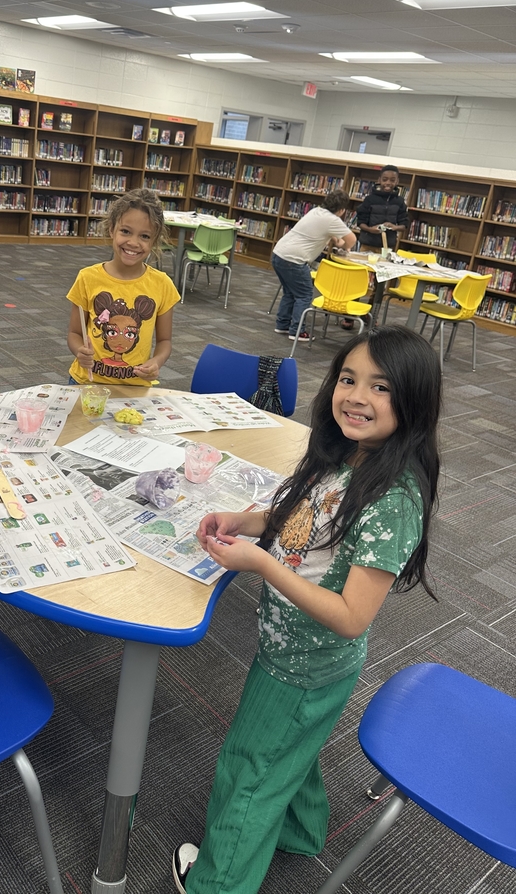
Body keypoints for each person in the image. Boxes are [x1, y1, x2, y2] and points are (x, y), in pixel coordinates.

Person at [172, 325, 441, 894]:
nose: (357, 396)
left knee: (249, 769)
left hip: (304, 666)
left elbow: (351, 616)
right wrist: (248, 524)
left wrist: (263, 565)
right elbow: (302, 524)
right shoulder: (342, 454)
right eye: (348, 379)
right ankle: (300, 830)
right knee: (291, 751)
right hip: (292, 653)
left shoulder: (393, 497)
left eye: (381, 387)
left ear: (414, 402)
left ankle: (216, 884)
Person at [67, 188, 179, 385]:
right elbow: (75, 333)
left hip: (135, 387)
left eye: (144, 236)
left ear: (154, 240)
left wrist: (156, 362)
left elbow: (164, 342)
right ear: (112, 229)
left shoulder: (162, 285)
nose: (133, 242)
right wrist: (79, 351)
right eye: (126, 231)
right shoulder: (87, 278)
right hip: (88, 383)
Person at [271, 189, 357, 343]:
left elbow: (334, 237)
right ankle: (297, 331)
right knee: (304, 295)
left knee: (290, 293)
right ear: (342, 209)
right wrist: (345, 247)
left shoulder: (316, 211)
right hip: (294, 260)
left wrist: (339, 242)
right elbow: (351, 240)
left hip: (279, 254)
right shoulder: (333, 220)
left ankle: (282, 324)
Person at [356, 165, 408, 253]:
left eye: (392, 180)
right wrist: (370, 229)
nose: (388, 183)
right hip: (368, 245)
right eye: (385, 179)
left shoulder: (399, 201)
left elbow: (404, 224)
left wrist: (395, 227)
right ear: (379, 180)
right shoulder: (370, 199)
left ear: (397, 181)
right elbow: (360, 222)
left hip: (388, 247)